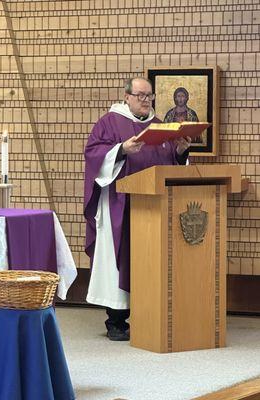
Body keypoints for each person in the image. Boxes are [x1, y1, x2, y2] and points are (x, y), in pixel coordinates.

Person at [83, 77, 191, 341]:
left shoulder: (159, 127)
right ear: (127, 96)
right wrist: (121, 149)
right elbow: (93, 155)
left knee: (149, 260)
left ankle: (147, 314)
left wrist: (179, 152)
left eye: (149, 96)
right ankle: (116, 321)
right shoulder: (108, 122)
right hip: (119, 204)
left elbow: (167, 164)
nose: (145, 100)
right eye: (140, 95)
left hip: (152, 207)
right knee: (118, 259)